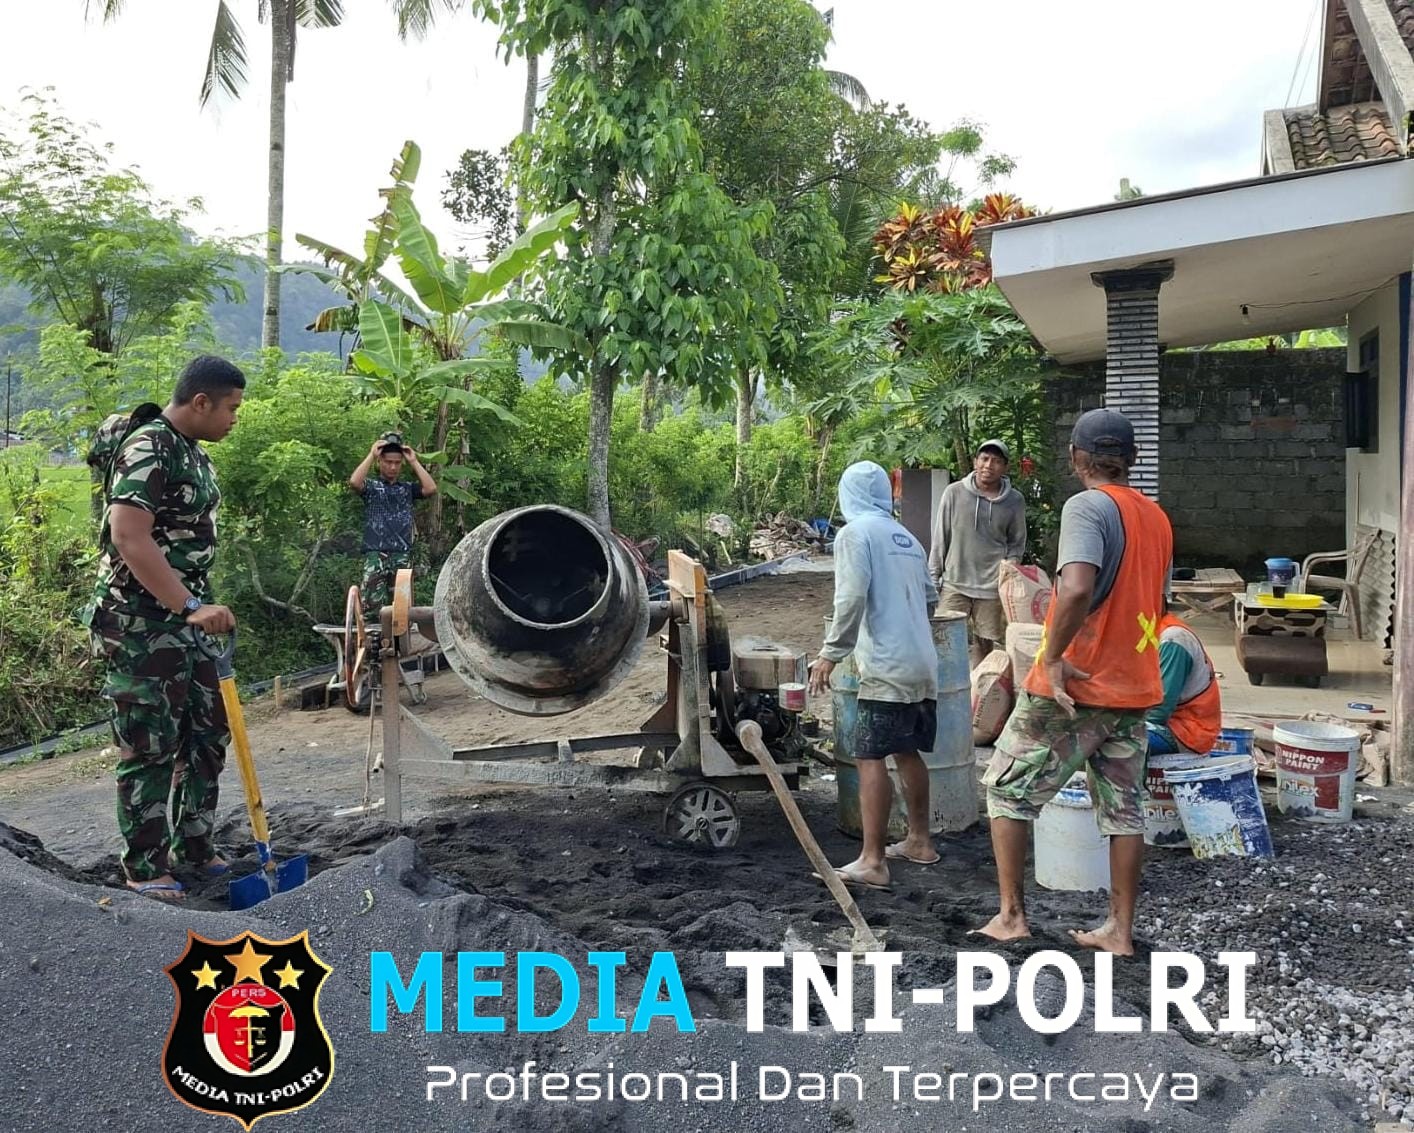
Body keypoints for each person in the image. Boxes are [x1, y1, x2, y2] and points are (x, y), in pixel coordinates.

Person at [976, 408, 1172, 955]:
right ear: (1131, 460)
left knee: (1006, 787)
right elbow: (1155, 601)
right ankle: (1119, 930)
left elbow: (1079, 587)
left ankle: (1012, 915)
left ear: (1077, 458)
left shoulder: (1087, 506)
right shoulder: (1156, 518)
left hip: (1076, 684)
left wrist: (1055, 655)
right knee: (1124, 807)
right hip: (1134, 685)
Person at [84, 355, 245, 901]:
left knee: (207, 731)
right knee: (150, 744)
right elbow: (130, 536)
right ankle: (144, 866)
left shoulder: (192, 452)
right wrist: (186, 606)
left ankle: (195, 846)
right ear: (200, 402)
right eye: (230, 408)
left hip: (182, 616)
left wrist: (193, 605)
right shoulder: (150, 445)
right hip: (139, 622)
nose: (234, 419)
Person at [808, 461, 939, 891]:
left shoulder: (854, 534)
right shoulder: (908, 539)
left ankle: (873, 860)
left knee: (869, 756)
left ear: (849, 494)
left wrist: (831, 653)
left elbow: (850, 597)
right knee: (907, 752)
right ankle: (920, 841)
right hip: (923, 662)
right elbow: (929, 599)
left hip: (887, 665)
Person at [928, 439, 1027, 663]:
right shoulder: (954, 493)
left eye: (996, 461)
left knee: (986, 647)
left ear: (1005, 468)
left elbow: (1017, 542)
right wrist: (933, 579)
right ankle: (946, 694)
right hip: (955, 584)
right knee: (944, 642)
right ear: (975, 462)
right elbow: (940, 538)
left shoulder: (1014, 500)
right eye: (984, 459)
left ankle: (979, 695)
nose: (988, 465)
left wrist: (1011, 564)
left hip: (991, 588)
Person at [348, 431, 437, 621]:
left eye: (397, 463)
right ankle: (373, 642)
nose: (393, 467)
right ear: (380, 462)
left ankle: (399, 643)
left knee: (403, 610)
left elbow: (430, 489)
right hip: (376, 554)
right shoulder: (371, 487)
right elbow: (355, 482)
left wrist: (413, 460)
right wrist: (372, 454)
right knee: (371, 609)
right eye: (388, 462)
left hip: (401, 554)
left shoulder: (406, 489)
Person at [1145, 602, 1222, 756]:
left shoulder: (1173, 639)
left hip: (1185, 732)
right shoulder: (1147, 632)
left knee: (1108, 738)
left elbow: (1158, 711)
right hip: (1165, 723)